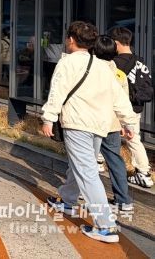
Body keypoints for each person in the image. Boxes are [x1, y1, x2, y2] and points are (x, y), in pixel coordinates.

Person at [41, 21, 139, 244]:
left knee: (87, 172)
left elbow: (57, 92)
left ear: (71, 40)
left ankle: (106, 226)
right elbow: (118, 96)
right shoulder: (103, 65)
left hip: (77, 123)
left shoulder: (67, 63)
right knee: (82, 166)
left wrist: (48, 118)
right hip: (99, 125)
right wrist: (129, 123)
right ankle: (67, 199)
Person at [109, 26, 154, 189]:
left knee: (105, 135)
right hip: (136, 107)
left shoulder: (114, 64)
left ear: (116, 43)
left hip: (120, 108)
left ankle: (99, 162)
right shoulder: (140, 61)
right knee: (134, 139)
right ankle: (144, 172)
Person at [93, 35, 133, 212]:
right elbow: (124, 101)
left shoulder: (91, 71)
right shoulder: (119, 74)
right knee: (115, 160)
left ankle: (82, 192)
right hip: (112, 124)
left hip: (91, 123)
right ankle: (123, 200)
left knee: (85, 159)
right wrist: (125, 124)